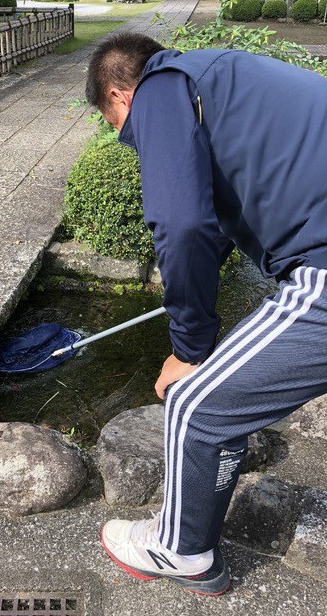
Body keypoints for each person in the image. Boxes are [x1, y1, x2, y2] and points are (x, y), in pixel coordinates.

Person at [86, 33, 327, 596]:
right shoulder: (218, 78)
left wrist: (190, 347)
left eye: (113, 124)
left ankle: (183, 550)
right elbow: (213, 222)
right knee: (220, 396)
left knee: (195, 404)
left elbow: (183, 224)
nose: (124, 138)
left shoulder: (163, 89)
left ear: (120, 96)